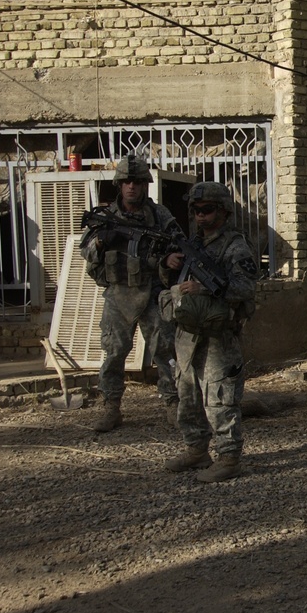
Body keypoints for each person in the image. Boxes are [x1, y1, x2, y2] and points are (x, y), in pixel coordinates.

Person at [161, 182, 258, 483]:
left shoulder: (235, 247)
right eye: (195, 210)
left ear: (224, 211)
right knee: (187, 395)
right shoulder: (194, 244)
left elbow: (246, 288)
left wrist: (204, 288)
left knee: (220, 399)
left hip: (218, 336)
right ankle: (196, 449)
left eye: (207, 209)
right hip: (188, 334)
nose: (200, 216)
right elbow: (169, 279)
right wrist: (168, 264)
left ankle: (229, 458)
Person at [80, 154, 181, 432]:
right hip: (118, 294)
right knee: (114, 353)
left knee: (166, 351)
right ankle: (111, 407)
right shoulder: (106, 217)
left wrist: (170, 258)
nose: (131, 187)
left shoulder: (160, 215)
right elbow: (86, 251)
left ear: (145, 184)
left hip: (152, 291)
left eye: (137, 182)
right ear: (119, 185)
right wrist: (101, 242)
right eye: (126, 182)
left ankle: (173, 403)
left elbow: (178, 243)